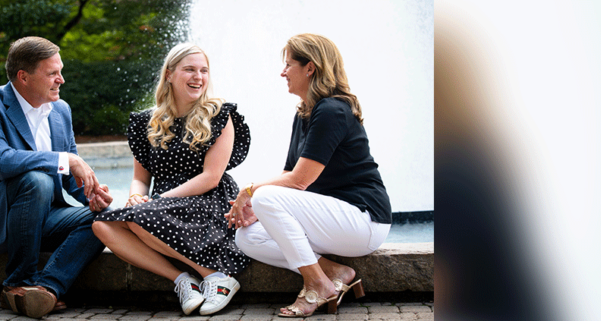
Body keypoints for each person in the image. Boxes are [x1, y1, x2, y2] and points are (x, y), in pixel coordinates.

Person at [227, 34, 392, 318]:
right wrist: (256, 210)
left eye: (289, 64)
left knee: (264, 195)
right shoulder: (305, 111)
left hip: (364, 219)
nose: (283, 72)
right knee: (247, 237)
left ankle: (317, 284)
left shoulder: (332, 110)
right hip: (333, 219)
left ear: (310, 68)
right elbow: (289, 174)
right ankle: (334, 271)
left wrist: (250, 192)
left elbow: (299, 182)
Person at [0, 36, 113, 319]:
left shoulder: (60, 110)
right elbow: (2, 161)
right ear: (23, 77)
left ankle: (46, 288)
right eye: (52, 73)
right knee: (36, 179)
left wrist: (93, 194)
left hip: (37, 217)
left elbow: (68, 180)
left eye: (60, 71)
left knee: (103, 220)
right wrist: (65, 159)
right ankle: (17, 282)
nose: (61, 80)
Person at [92, 43, 252, 316]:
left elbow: (211, 178)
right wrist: (135, 196)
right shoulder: (146, 122)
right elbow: (140, 179)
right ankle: (182, 280)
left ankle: (215, 277)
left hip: (205, 201)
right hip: (160, 207)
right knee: (101, 226)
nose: (198, 77)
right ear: (169, 74)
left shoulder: (219, 115)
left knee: (136, 216)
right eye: (189, 69)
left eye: (204, 70)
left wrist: (154, 202)